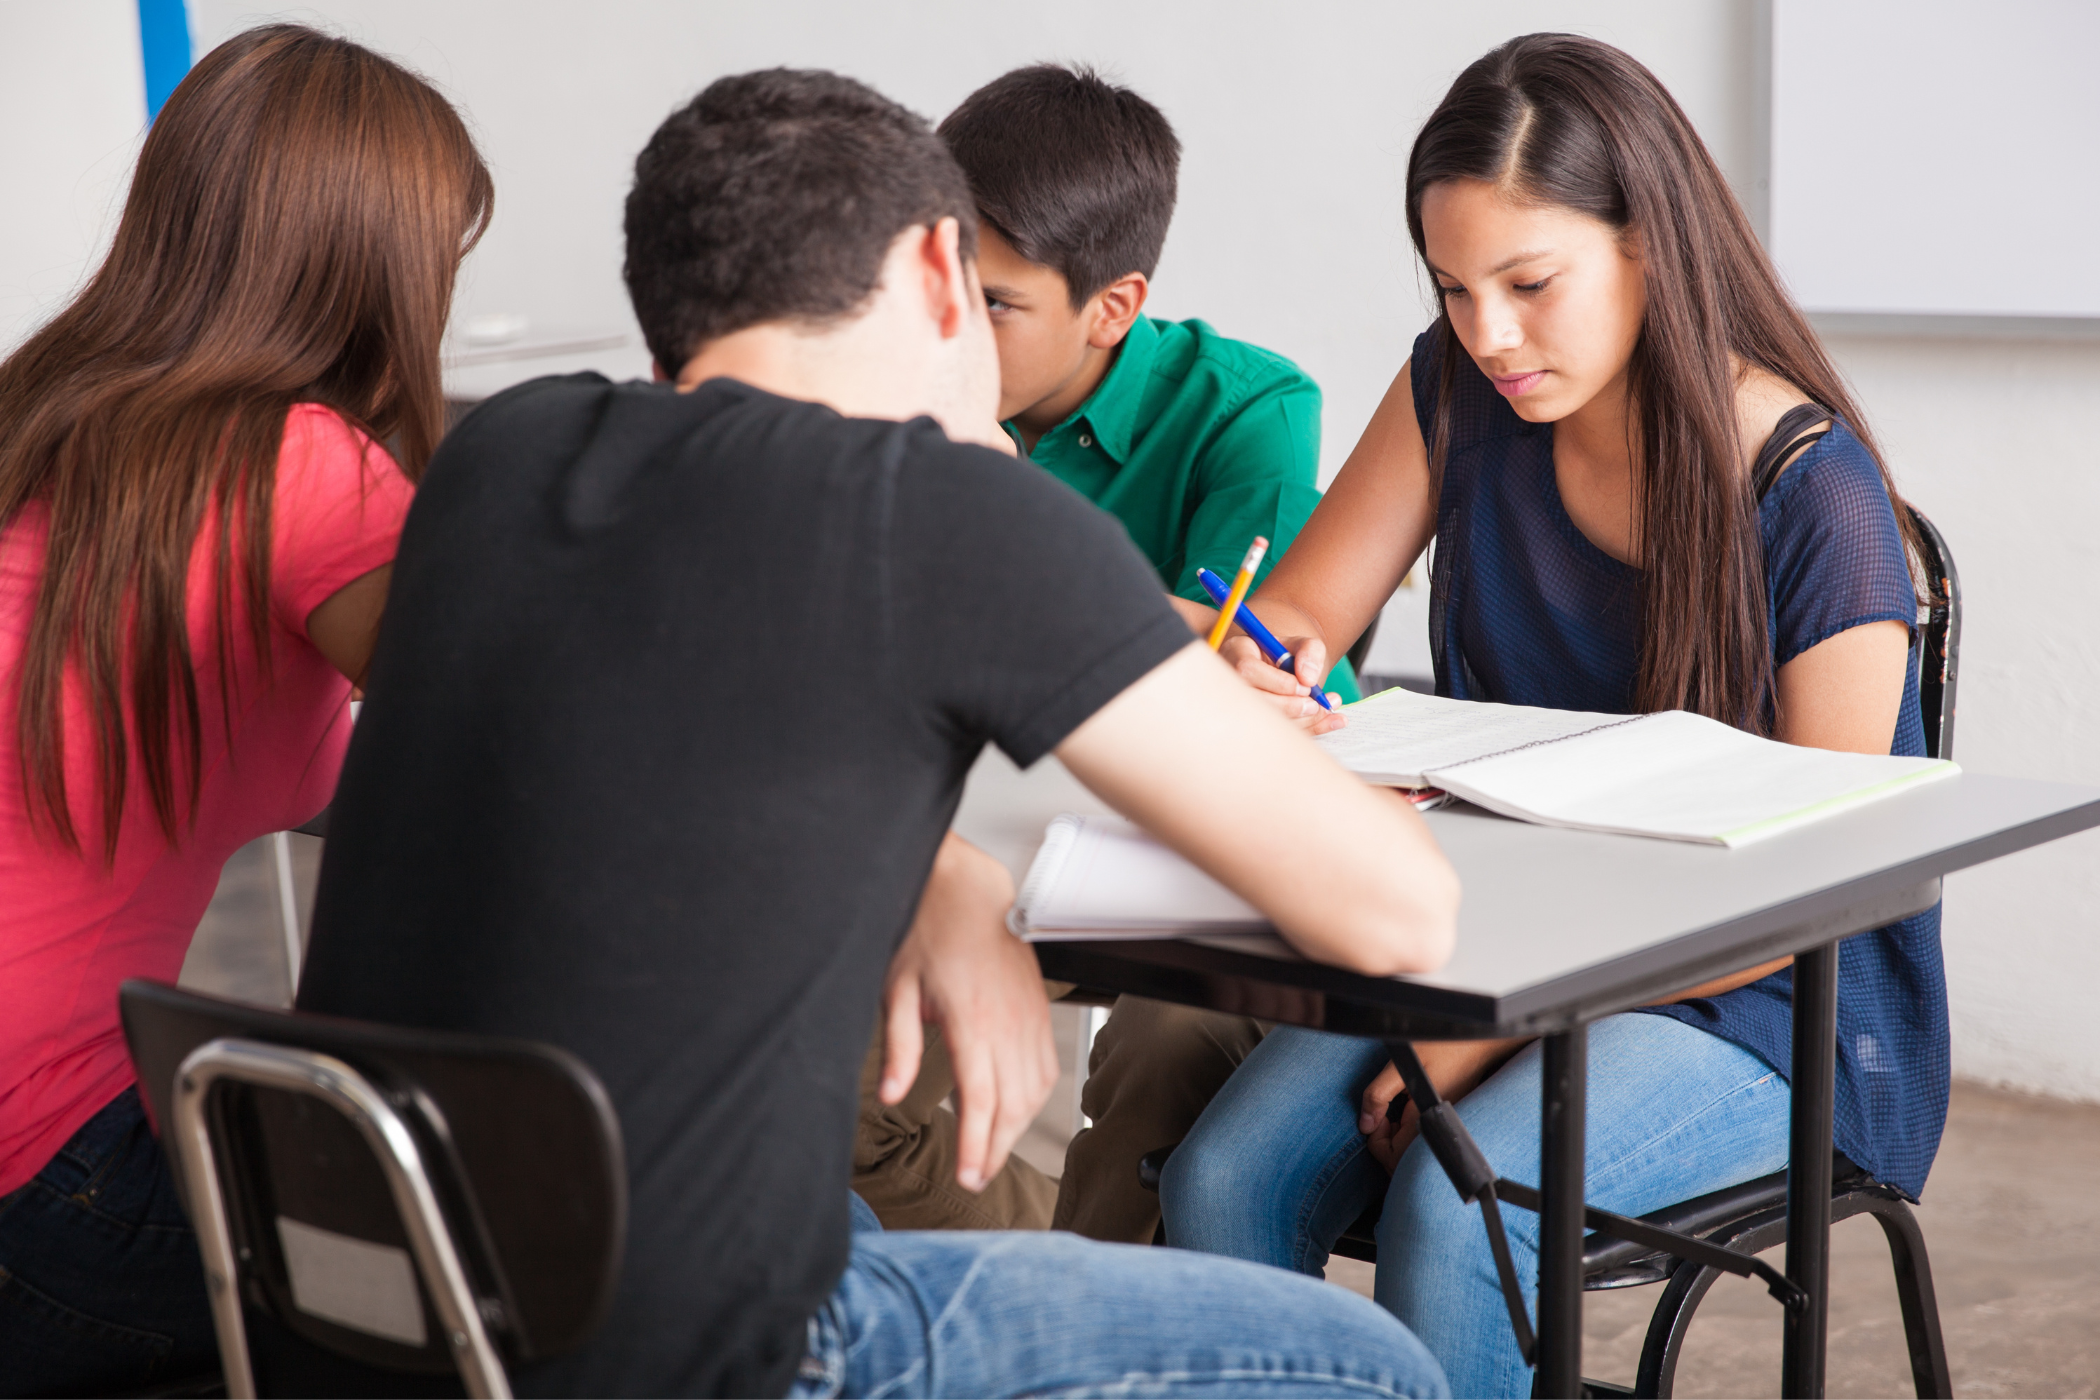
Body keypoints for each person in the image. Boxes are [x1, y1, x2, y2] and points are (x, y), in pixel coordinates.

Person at [296, 68, 1459, 1400]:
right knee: (1369, 1368)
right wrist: (971, 437)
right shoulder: (948, 512)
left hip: (372, 1313)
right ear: (936, 267)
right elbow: (1400, 918)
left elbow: (673, 757)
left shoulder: (499, 456)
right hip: (701, 1356)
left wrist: (947, 873)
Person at [1157, 33, 1947, 1399]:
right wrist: (1246, 667)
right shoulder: (1458, 393)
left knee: (1457, 1209)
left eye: (1530, 285)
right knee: (1227, 1178)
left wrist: (1496, 1032)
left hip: (1755, 1006)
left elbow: (1810, 894)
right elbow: (1290, 626)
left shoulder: (1814, 497)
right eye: (1456, 290)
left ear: (1651, 244)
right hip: (1490, 943)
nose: (1489, 336)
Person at [0, 26, 489, 1397]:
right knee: (518, 1303)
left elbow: (334, 765)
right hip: (42, 1185)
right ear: (370, 263)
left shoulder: (37, 418)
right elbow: (507, 735)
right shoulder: (307, 464)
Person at [844, 62, 1363, 1243]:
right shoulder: (881, 377)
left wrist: (1009, 524)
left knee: (1159, 1070)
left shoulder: (1250, 406)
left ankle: (1090, 1286)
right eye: (929, 283)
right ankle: (1059, 1265)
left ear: (1113, 307)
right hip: (957, 840)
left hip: (1157, 851)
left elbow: (1243, 664)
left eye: (994, 304)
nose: (944, 329)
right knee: (831, 1081)